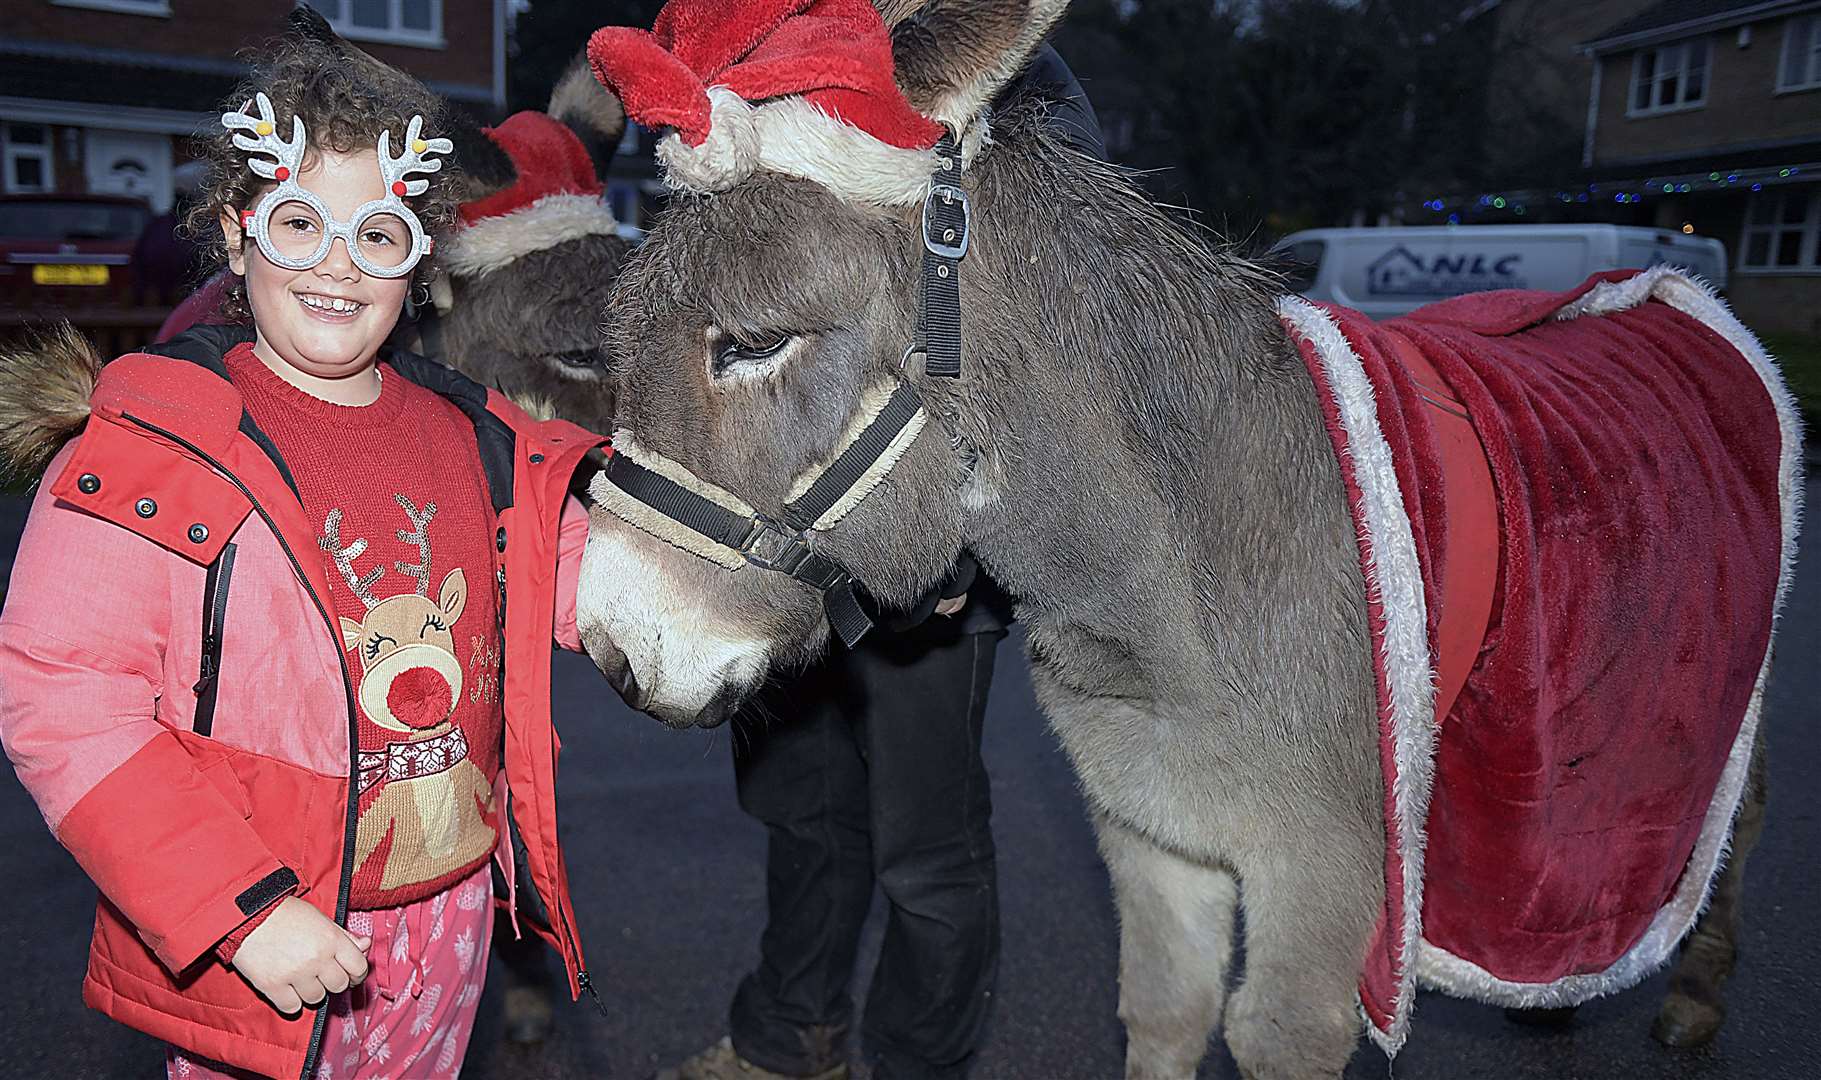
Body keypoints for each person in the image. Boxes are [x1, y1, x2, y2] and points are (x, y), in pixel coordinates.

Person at [0, 25, 604, 1080]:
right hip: (267, 929)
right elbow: (61, 697)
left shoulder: (477, 433)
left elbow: (593, 586)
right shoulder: (153, 446)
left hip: (455, 918)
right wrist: (238, 910)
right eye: (298, 223)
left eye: (377, 234)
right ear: (238, 236)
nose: (336, 263)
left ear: (416, 257)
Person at [664, 45, 1106, 1080]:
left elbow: (1042, 322)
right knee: (802, 810)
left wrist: (965, 527)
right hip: (781, 528)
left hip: (929, 541)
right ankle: (792, 1035)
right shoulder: (774, 56)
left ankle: (918, 1062)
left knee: (926, 847)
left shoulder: (1000, 62)